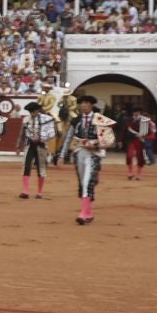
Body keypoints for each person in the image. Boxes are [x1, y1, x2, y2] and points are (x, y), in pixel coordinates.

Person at [68, 94, 110, 226]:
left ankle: (83, 213)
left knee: (87, 182)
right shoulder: (76, 120)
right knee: (82, 182)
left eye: (86, 103)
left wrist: (95, 145)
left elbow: (108, 140)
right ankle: (89, 212)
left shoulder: (100, 119)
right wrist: (62, 155)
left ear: (91, 105)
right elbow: (69, 137)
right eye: (81, 103)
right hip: (79, 152)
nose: (83, 105)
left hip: (93, 154)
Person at [18, 100, 55, 200]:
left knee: (41, 168)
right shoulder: (26, 120)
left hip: (41, 145)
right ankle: (25, 191)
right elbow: (22, 133)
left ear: (38, 110)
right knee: (26, 166)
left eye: (33, 112)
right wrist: (19, 145)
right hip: (30, 145)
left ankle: (39, 192)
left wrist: (41, 138)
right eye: (30, 112)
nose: (32, 114)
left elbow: (52, 133)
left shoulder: (47, 119)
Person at [124, 106, 155, 181]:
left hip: (140, 141)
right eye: (134, 112)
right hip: (131, 140)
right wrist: (120, 140)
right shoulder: (129, 120)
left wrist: (143, 135)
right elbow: (124, 130)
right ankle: (130, 172)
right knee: (129, 155)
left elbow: (149, 131)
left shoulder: (144, 120)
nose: (136, 113)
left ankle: (139, 174)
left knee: (140, 157)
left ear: (139, 112)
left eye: (137, 112)